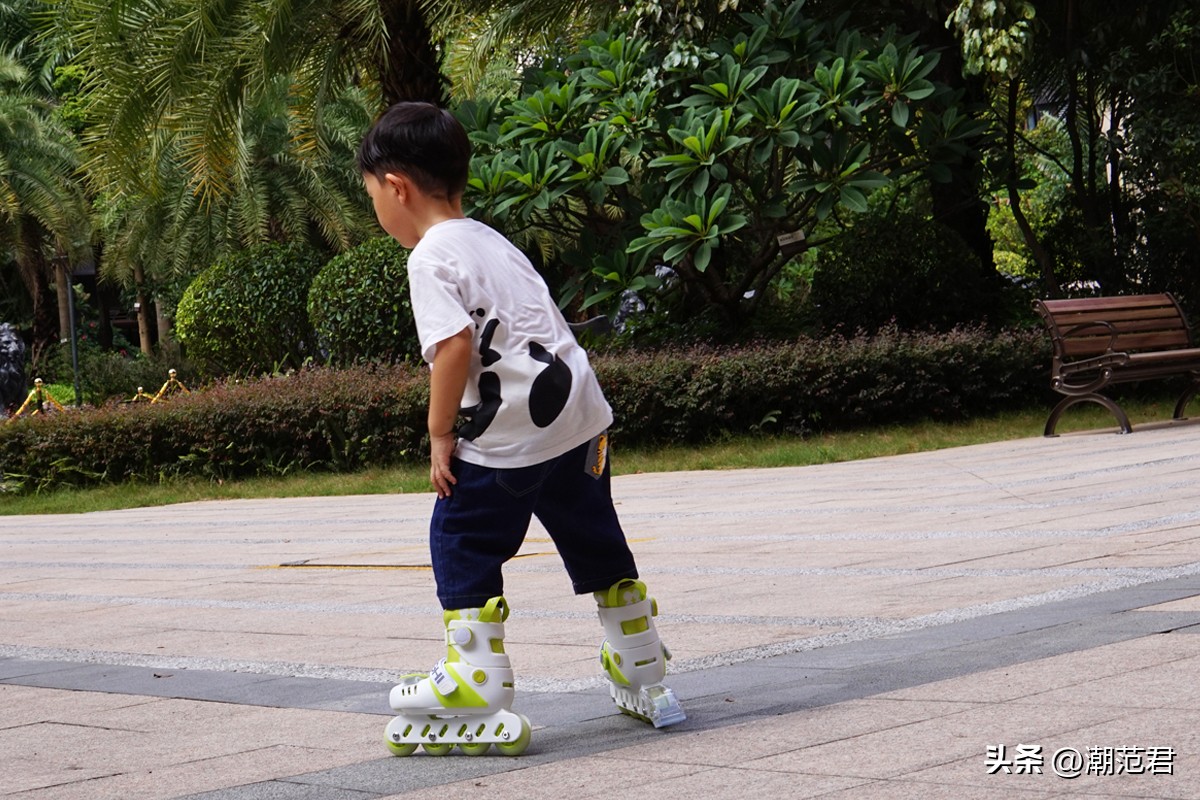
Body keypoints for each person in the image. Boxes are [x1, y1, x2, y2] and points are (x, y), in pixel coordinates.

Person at [357, 102, 685, 757]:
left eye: (372, 197)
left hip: (508, 438)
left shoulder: (429, 258)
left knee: (461, 535)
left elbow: (453, 347)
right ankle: (640, 660)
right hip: (581, 419)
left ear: (396, 187)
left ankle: (474, 676)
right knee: (594, 535)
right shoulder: (490, 238)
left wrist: (440, 433)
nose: (377, 210)